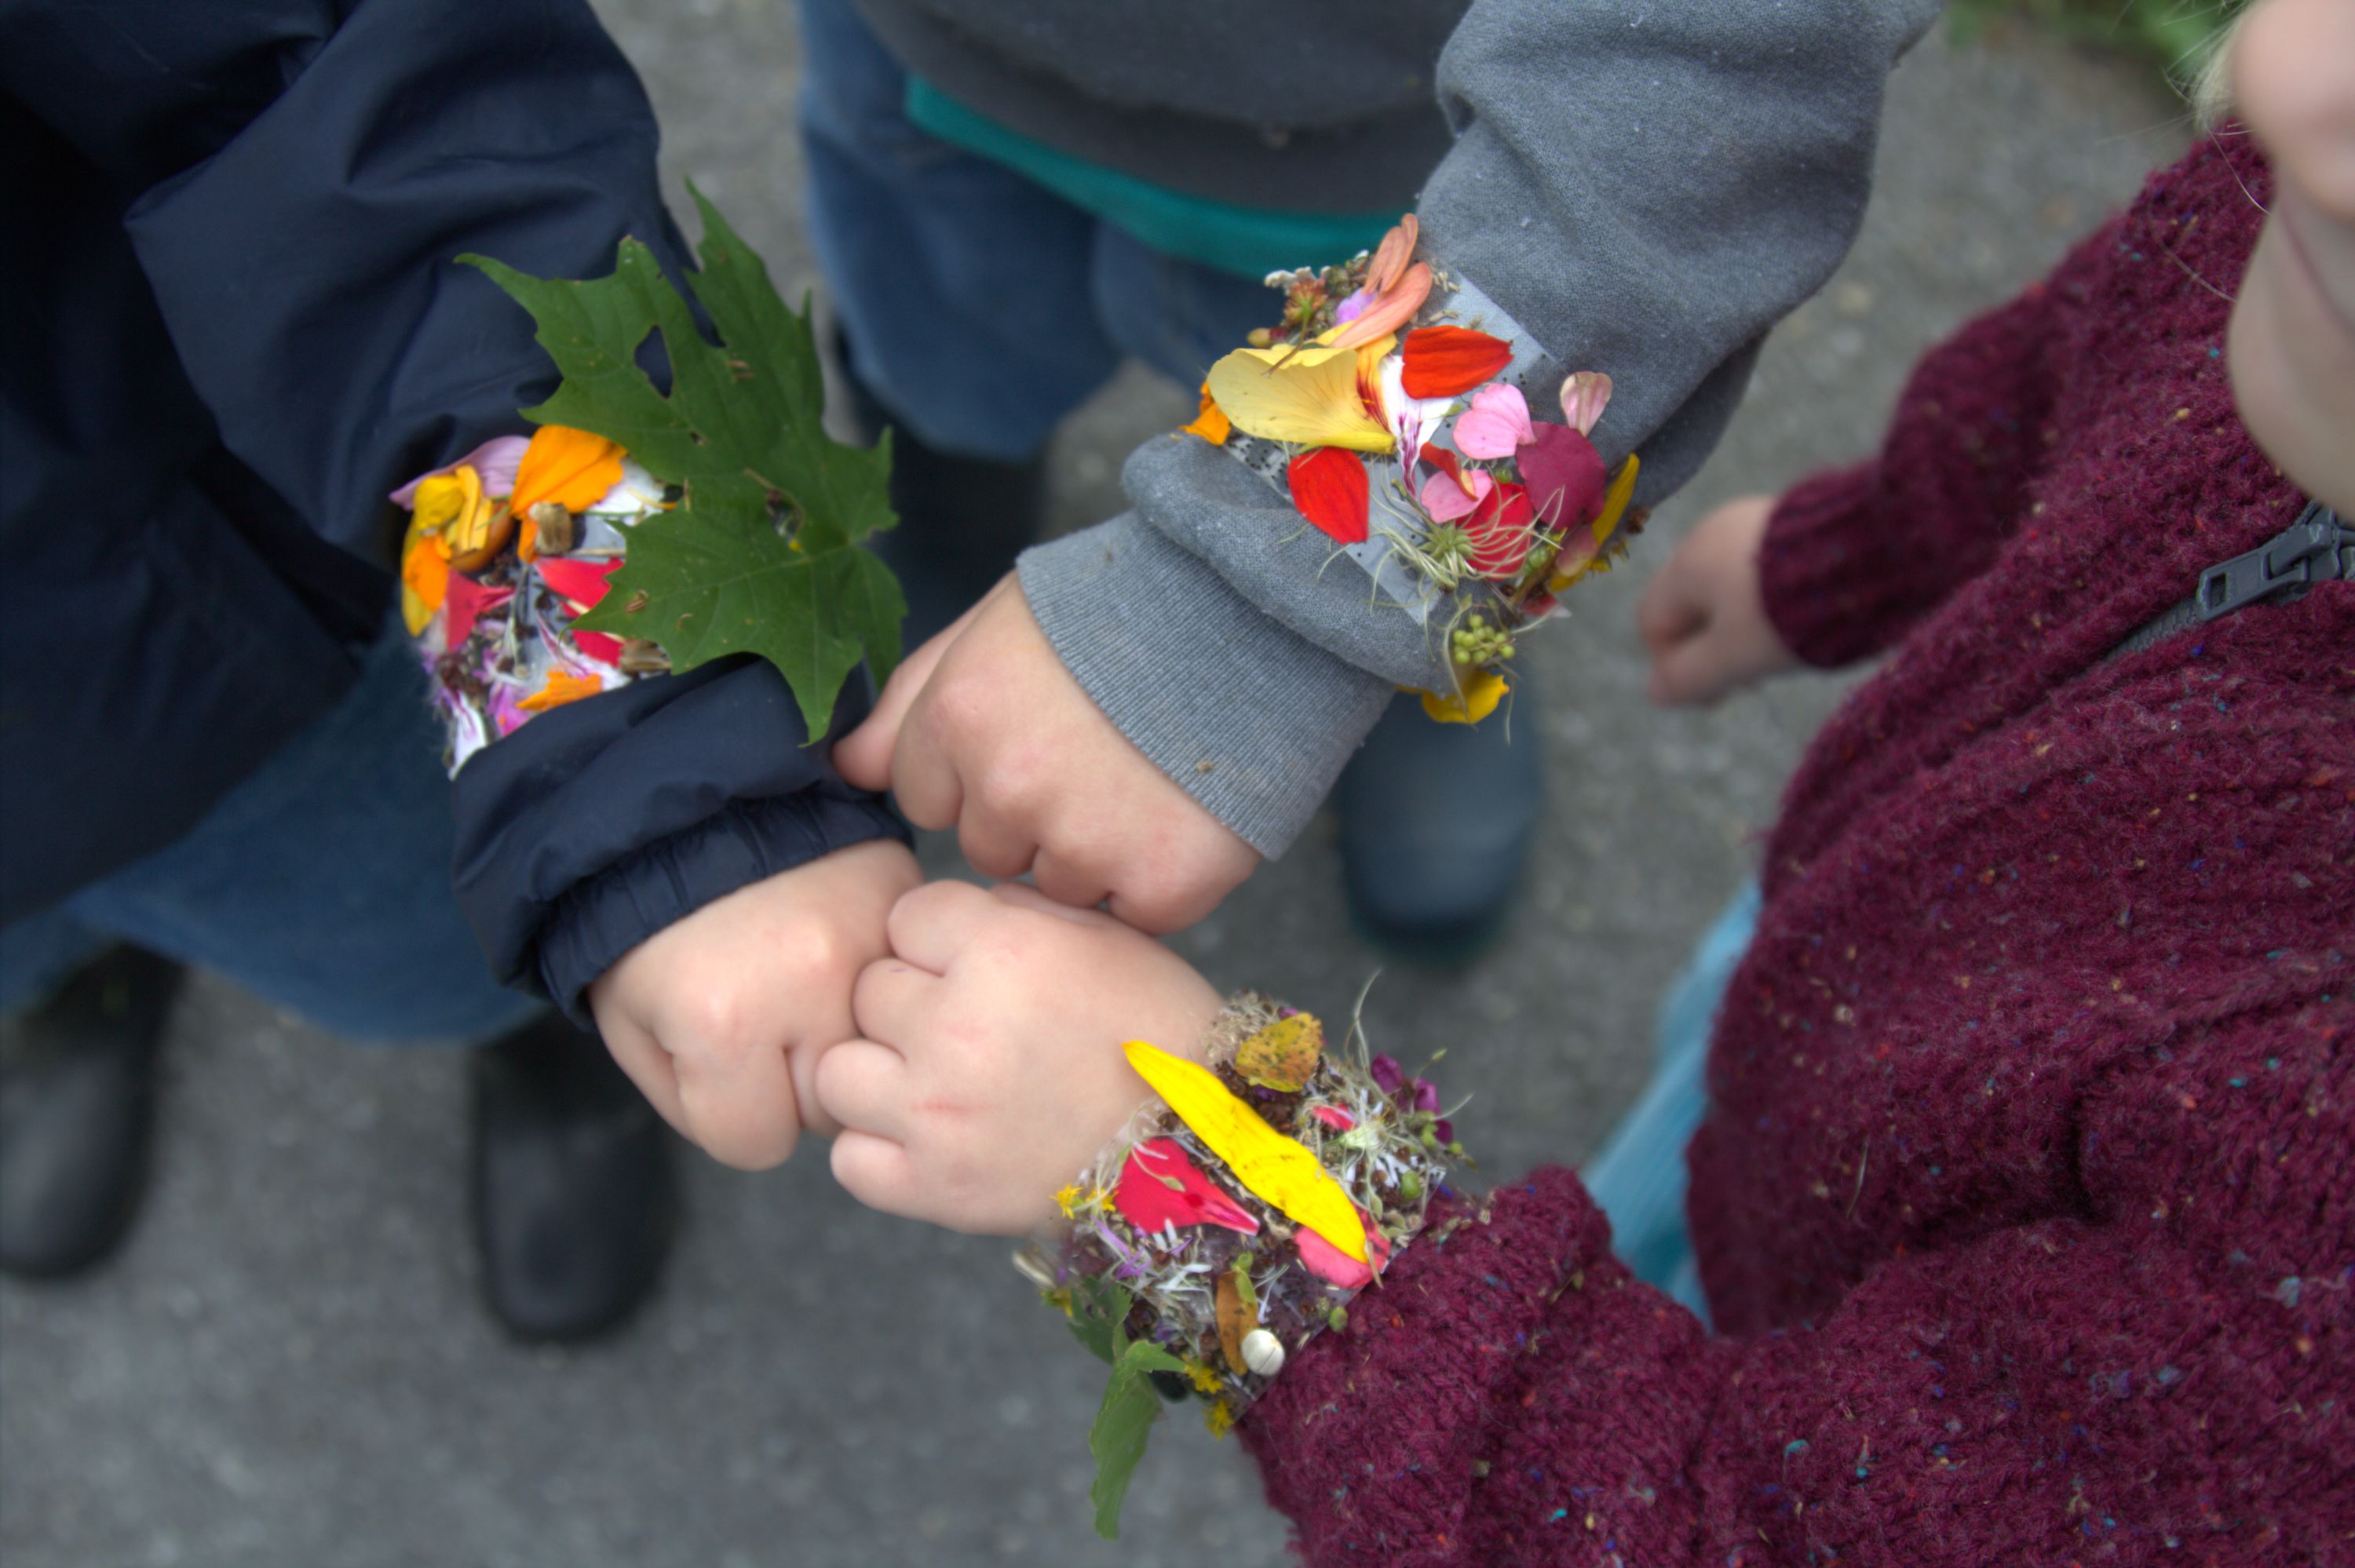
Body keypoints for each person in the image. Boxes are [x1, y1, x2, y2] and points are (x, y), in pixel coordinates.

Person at [813, 0, 2354, 1557]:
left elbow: (1704, 1520)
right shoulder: (2304, 232)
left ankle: (1402, 692)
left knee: (1667, 1312)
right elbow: (2101, 360)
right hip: (1871, 978)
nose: (2299, 75)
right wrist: (1858, 548)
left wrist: (1196, 1178)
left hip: (1865, 1312)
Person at [0, 0, 918, 1340]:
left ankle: (553, 1028)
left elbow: (327, 79)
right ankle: (82, 983)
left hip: (174, 643)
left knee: (409, 939)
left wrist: (638, 759)